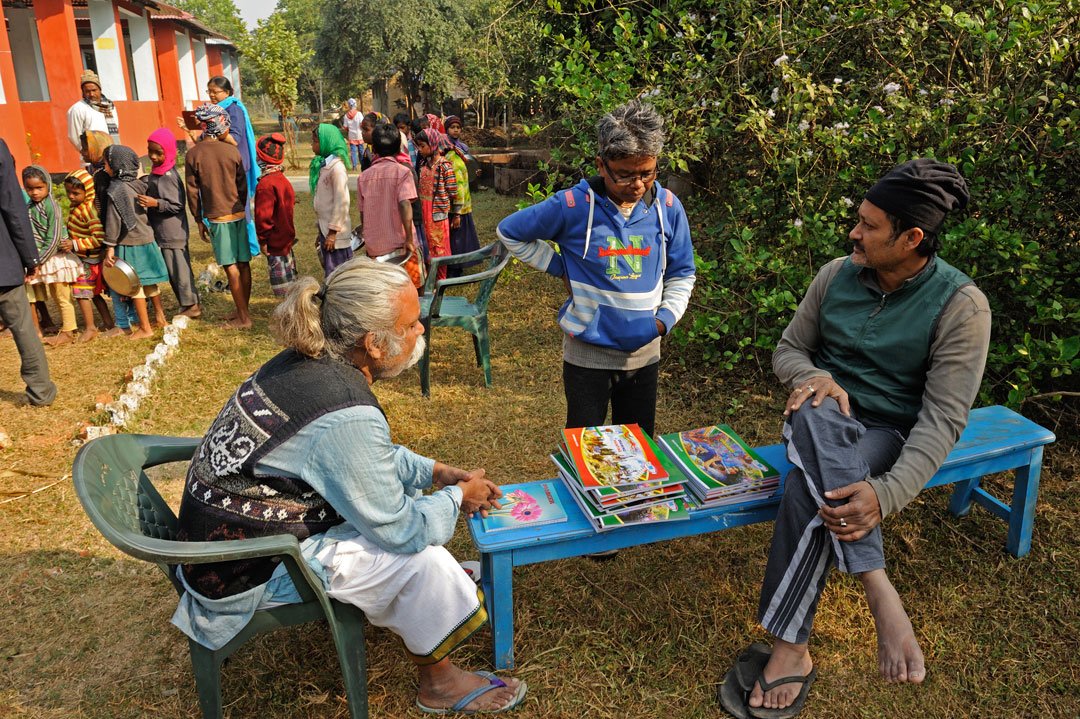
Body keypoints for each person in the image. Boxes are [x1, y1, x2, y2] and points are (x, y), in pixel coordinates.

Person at [172, 257, 527, 714]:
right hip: (245, 573)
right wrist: (457, 497)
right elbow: (401, 530)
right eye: (412, 324)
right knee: (422, 558)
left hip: (220, 543)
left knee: (406, 514)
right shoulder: (343, 408)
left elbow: (351, 462)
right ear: (374, 345)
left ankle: (425, 605)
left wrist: (433, 472)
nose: (421, 332)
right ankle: (438, 684)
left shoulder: (304, 360)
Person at [719, 160, 992, 719]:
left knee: (804, 491)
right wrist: (810, 376)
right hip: (813, 415)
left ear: (911, 238)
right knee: (820, 409)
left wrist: (886, 493)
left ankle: (792, 649)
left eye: (868, 226)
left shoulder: (962, 306)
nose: (853, 234)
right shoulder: (835, 274)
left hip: (884, 434)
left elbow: (941, 419)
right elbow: (788, 349)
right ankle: (876, 582)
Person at [496, 100, 695, 438]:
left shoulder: (669, 208)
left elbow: (682, 273)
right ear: (601, 165)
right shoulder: (572, 206)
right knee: (585, 444)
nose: (637, 185)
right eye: (625, 175)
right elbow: (510, 232)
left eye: (647, 173)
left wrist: (662, 322)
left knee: (638, 443)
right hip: (587, 356)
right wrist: (560, 268)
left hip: (644, 356)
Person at [185, 104, 252, 329]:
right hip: (238, 213)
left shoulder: (193, 154)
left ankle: (243, 318)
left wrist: (198, 219)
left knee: (229, 266)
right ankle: (242, 309)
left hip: (217, 216)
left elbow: (192, 191)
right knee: (243, 263)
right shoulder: (232, 151)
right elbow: (242, 185)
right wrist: (242, 207)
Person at [179, 77, 261, 258]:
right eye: (210, 91)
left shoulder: (233, 109)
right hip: (216, 164)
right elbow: (205, 141)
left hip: (235, 164)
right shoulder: (213, 112)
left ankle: (250, 246)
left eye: (216, 91)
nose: (212, 95)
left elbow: (235, 139)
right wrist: (192, 131)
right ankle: (227, 242)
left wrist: (218, 127)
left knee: (241, 205)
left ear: (228, 92)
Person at [0, 140, 56, 405]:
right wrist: (29, 257)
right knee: (23, 328)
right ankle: (41, 391)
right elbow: (12, 206)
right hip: (3, 261)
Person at [100, 145, 171, 340]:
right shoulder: (139, 184)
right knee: (150, 282)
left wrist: (110, 248)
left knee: (136, 286)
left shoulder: (117, 189)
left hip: (130, 243)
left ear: (116, 165)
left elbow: (113, 221)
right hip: (147, 237)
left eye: (107, 162)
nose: (105, 166)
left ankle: (145, 327)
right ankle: (160, 317)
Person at [140, 128, 201, 319]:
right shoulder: (158, 172)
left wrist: (155, 203)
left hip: (173, 231)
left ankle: (192, 304)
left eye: (159, 152)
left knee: (180, 269)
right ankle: (186, 303)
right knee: (174, 270)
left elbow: (177, 205)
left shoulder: (168, 176)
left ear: (169, 151)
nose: (153, 156)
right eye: (150, 151)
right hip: (164, 231)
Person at [22, 166, 83, 346]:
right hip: (43, 256)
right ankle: (66, 328)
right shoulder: (30, 207)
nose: (34, 192)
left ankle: (69, 331)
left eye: (39, 188)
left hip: (55, 257)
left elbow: (54, 237)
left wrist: (39, 260)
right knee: (57, 296)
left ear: (48, 185)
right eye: (30, 189)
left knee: (63, 296)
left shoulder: (52, 206)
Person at [357, 123, 422, 289]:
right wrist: (409, 238)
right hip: (402, 246)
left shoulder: (363, 177)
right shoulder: (403, 172)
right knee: (412, 289)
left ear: (374, 150)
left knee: (383, 294)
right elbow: (405, 204)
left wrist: (367, 236)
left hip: (376, 249)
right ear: (398, 149)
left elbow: (363, 213)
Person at [63, 169, 115, 342]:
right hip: (85, 257)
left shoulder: (87, 211)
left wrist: (75, 244)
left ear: (88, 191)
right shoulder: (78, 207)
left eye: (76, 193)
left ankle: (91, 328)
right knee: (93, 294)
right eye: (68, 192)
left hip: (88, 259)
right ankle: (107, 322)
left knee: (81, 293)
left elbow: (98, 238)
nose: (71, 196)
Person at [253, 133, 298, 297]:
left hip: (275, 243)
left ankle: (291, 317)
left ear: (261, 157)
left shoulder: (265, 185)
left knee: (285, 292)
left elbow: (263, 218)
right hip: (286, 240)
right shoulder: (282, 179)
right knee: (291, 282)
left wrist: (263, 241)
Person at [413, 128, 457, 281]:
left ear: (432, 144)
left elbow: (453, 191)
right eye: (418, 146)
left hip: (437, 214)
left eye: (422, 145)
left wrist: (455, 212)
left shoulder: (445, 166)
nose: (419, 149)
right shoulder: (423, 166)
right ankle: (430, 280)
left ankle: (441, 280)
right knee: (427, 245)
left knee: (439, 247)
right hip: (423, 213)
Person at [310, 123, 352, 277]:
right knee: (330, 270)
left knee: (338, 273)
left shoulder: (337, 169)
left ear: (327, 141)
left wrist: (332, 233)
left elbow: (342, 202)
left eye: (315, 141)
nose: (311, 144)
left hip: (336, 234)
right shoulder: (324, 166)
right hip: (326, 229)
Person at [440, 132, 480, 277]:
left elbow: (459, 188)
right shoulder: (450, 157)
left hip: (458, 209)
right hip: (459, 207)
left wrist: (456, 213)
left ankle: (456, 269)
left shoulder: (453, 161)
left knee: (457, 240)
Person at [67, 70, 120, 150]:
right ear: (83, 92)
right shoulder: (77, 109)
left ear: (100, 89)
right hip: (92, 159)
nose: (91, 94)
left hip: (113, 155)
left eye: (94, 90)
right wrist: (90, 154)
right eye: (87, 91)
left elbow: (116, 127)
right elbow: (74, 136)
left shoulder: (110, 107)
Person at [343, 98, 364, 169]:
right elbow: (362, 124)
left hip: (351, 136)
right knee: (361, 151)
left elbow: (345, 127)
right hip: (360, 135)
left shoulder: (346, 116)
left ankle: (354, 166)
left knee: (353, 152)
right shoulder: (359, 114)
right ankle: (362, 163)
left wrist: (349, 129)